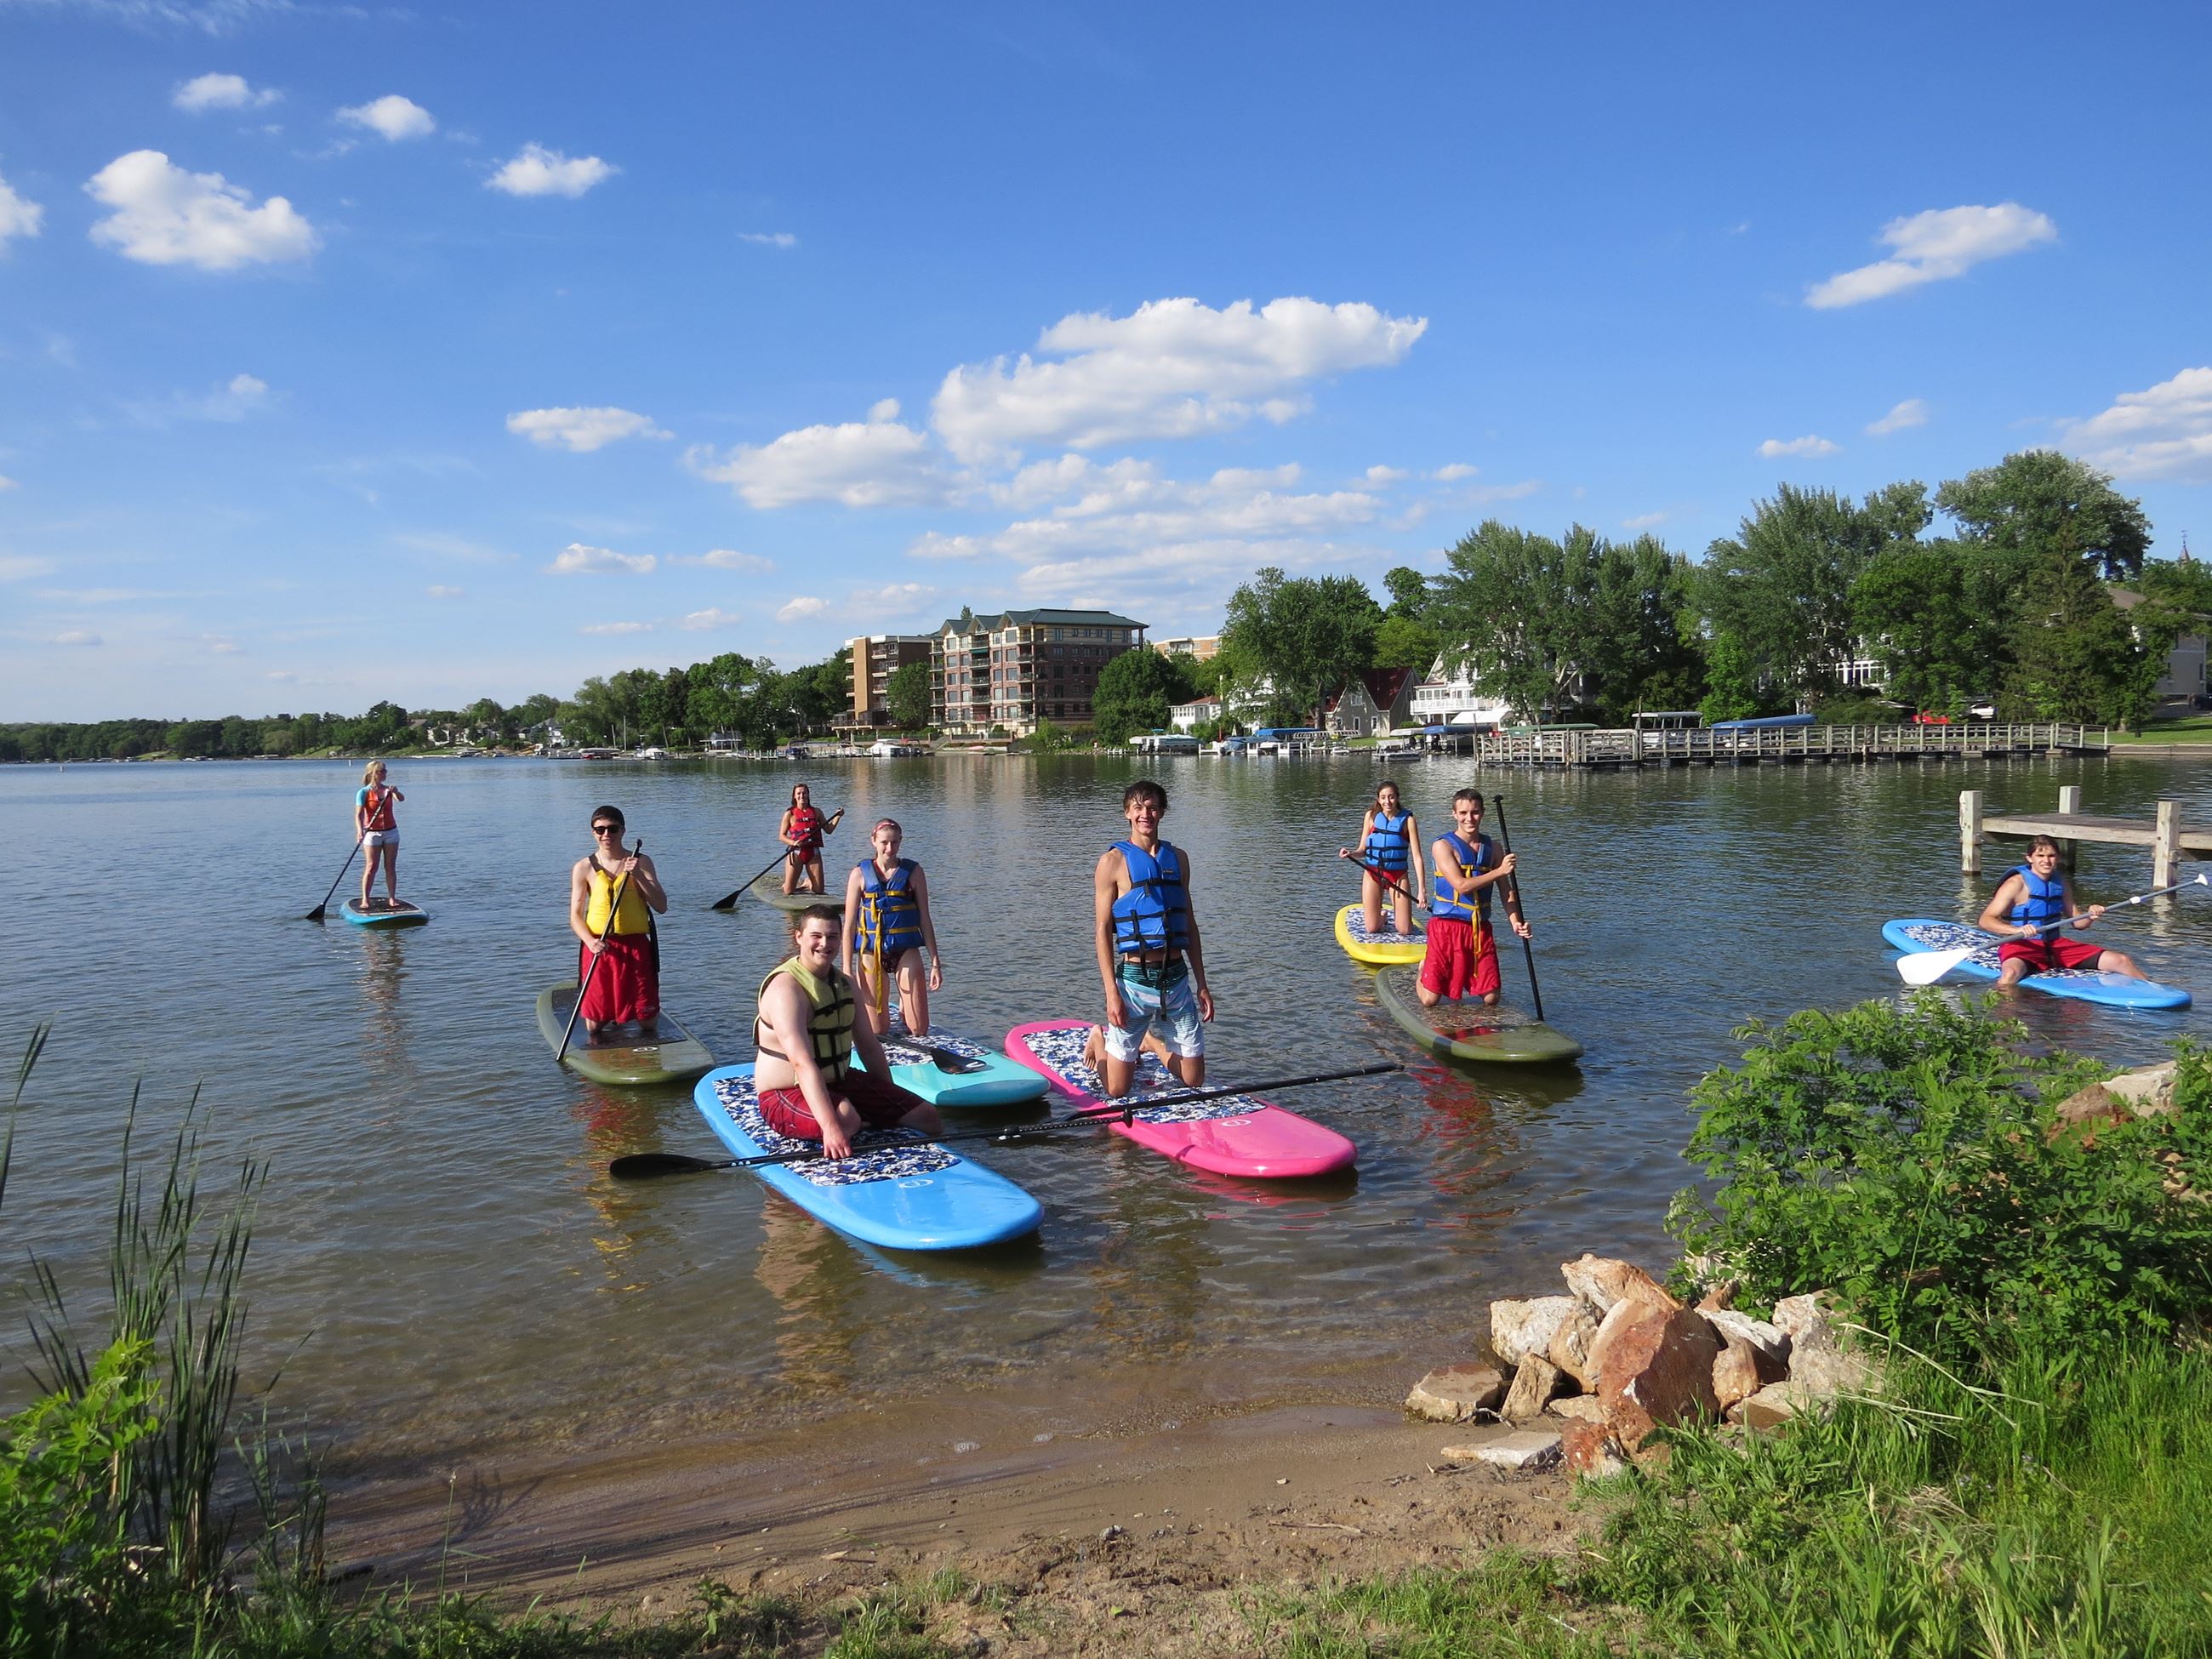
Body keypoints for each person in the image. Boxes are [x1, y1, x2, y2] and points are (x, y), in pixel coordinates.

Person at [755, 904, 943, 1158]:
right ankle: (846, 1123)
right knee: (845, 1120)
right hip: (784, 1092)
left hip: (840, 1081)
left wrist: (888, 1101)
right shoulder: (786, 991)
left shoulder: (845, 984)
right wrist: (831, 1128)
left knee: (927, 1117)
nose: (824, 943)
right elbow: (801, 1062)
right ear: (798, 937)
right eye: (816, 936)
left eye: (832, 936)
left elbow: (869, 1046)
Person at [1083, 779, 1213, 1097]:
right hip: (1135, 981)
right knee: (1117, 1090)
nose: (1146, 814)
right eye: (1139, 808)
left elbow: (1190, 923)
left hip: (1176, 978)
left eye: (1153, 807)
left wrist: (1203, 983)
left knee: (1194, 1080)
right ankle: (1099, 1040)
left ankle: (1152, 1042)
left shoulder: (1179, 859)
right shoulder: (1111, 863)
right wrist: (1111, 993)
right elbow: (1102, 930)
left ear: (1162, 812)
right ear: (1127, 813)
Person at [1975, 835, 2145, 985]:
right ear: (2029, 858)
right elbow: (1985, 920)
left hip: (2055, 946)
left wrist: (2091, 915)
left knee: (2121, 960)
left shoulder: (2060, 883)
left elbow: (2078, 923)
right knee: (2010, 975)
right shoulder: (2015, 884)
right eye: (2040, 856)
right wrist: (2017, 930)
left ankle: (2156, 991)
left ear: (2057, 858)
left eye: (2051, 856)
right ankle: (2003, 1016)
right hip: (2022, 945)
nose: (2046, 861)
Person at [1417, 789, 1531, 1008]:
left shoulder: (1494, 848)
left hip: (1479, 928)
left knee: (1491, 998)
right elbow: (1461, 886)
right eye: (1463, 813)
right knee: (1431, 1001)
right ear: (1454, 814)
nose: (1469, 818)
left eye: (1475, 812)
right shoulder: (1442, 846)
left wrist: (1516, 923)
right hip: (1446, 927)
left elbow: (1506, 891)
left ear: (1483, 813)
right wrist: (1500, 870)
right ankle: (1423, 970)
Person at [567, 805, 669, 1041]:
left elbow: (661, 906)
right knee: (594, 1027)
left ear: (622, 831)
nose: (606, 835)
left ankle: (632, 1012)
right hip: (600, 948)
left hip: (635, 948)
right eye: (600, 830)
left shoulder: (641, 862)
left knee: (647, 1022)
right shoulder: (583, 867)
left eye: (612, 829)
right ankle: (609, 1012)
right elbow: (575, 916)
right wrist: (590, 942)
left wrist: (640, 877)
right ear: (593, 832)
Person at [841, 818, 944, 1038]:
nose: (889, 848)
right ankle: (892, 1007)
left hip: (904, 950)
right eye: (884, 843)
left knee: (919, 1029)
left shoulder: (914, 873)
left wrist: (935, 963)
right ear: (874, 841)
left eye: (895, 843)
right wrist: (847, 970)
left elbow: (924, 918)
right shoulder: (859, 875)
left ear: (900, 842)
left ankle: (906, 1006)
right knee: (878, 1031)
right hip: (871, 952)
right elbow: (849, 925)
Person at [1341, 779, 1426, 936]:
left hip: (1397, 876)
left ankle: (1399, 917)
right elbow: (1362, 850)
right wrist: (1351, 854)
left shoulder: (1408, 820)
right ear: (1378, 799)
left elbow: (1417, 857)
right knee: (1372, 929)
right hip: (1372, 873)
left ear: (1397, 798)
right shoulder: (1370, 817)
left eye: (1391, 797)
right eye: (1383, 797)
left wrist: (1422, 890)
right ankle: (1382, 916)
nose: (1388, 801)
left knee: (1405, 930)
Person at [355, 761, 405, 912]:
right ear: (374, 774)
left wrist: (396, 792)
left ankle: (392, 898)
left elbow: (401, 799)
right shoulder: (364, 792)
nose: (385, 773)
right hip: (372, 833)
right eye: (382, 771)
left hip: (391, 832)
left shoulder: (388, 790)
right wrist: (359, 831)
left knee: (390, 866)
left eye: (385, 771)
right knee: (371, 867)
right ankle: (365, 899)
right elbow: (358, 815)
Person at [779, 784, 836, 895]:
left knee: (819, 890)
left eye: (804, 793)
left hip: (813, 853)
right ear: (794, 796)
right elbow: (781, 836)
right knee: (788, 891)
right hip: (796, 853)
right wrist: (793, 842)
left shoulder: (817, 812)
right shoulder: (789, 814)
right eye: (799, 794)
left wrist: (837, 816)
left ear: (808, 795)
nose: (802, 796)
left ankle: (807, 883)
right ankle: (787, 884)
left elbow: (829, 830)